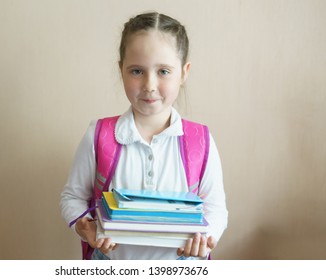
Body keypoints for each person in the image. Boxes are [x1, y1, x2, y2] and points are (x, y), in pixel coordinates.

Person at [60, 12, 228, 260]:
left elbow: (216, 209)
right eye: (137, 71)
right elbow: (72, 197)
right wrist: (86, 227)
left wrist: (206, 238)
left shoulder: (200, 141)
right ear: (121, 70)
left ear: (183, 72)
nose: (149, 85)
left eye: (163, 71)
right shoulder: (99, 135)